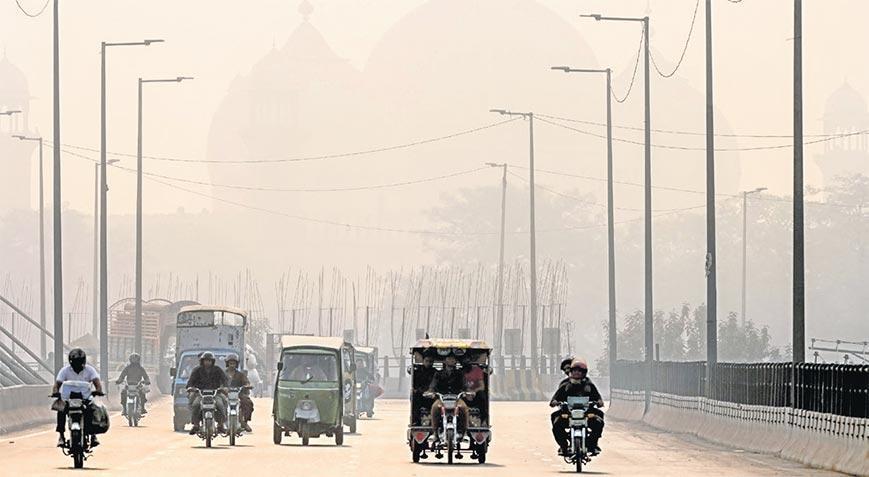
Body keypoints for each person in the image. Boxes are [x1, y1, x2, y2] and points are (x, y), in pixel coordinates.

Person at [549, 359, 605, 456]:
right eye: (574, 370)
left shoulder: (589, 385)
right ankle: (563, 446)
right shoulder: (565, 385)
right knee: (557, 423)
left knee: (599, 421)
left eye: (579, 371)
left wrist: (599, 402)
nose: (576, 373)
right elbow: (555, 398)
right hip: (568, 413)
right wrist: (555, 402)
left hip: (586, 413)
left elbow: (598, 397)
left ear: (584, 373)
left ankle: (592, 444)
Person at [52, 348, 104, 448]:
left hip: (85, 398)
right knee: (61, 411)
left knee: (92, 411)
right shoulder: (65, 370)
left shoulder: (90, 370)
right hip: (69, 399)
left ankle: (93, 435)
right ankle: (61, 436)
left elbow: (97, 382)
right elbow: (57, 384)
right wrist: (55, 392)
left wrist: (98, 390)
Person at [425, 353, 471, 436]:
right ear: (445, 361)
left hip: (457, 399)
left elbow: (465, 386)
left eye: (453, 359)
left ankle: (465, 434)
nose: (451, 360)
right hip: (442, 398)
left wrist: (468, 392)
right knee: (435, 407)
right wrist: (430, 392)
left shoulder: (460, 373)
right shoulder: (438, 374)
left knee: (463, 408)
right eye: (449, 359)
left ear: (456, 361)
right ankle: (435, 433)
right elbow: (433, 385)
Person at [186, 351, 229, 435]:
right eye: (206, 360)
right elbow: (190, 382)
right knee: (196, 405)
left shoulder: (218, 370)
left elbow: (225, 380)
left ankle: (221, 425)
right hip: (200, 394)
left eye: (209, 360)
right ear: (202, 361)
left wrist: (225, 388)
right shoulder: (197, 370)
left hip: (215, 394)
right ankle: (196, 424)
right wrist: (191, 388)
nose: (207, 362)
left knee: (221, 404)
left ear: (212, 361)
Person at [224, 353, 254, 432]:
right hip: (225, 395)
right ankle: (220, 423)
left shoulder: (240, 375)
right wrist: (222, 388)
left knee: (248, 403)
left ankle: (244, 422)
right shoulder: (223, 374)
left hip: (238, 395)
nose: (232, 365)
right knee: (218, 404)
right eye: (230, 363)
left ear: (236, 364)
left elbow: (246, 382)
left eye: (234, 363)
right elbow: (218, 383)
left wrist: (247, 385)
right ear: (227, 364)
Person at [411, 352, 436, 425]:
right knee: (415, 399)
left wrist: (432, 391)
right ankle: (415, 421)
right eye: (427, 361)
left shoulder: (435, 372)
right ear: (423, 361)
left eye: (430, 362)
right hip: (420, 394)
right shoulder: (417, 372)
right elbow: (414, 384)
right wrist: (416, 390)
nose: (428, 363)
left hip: (432, 395)